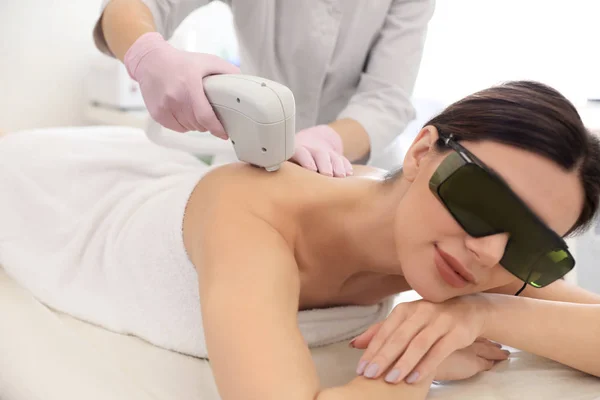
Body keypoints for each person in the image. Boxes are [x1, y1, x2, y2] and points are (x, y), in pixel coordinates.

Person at [1, 81, 600, 400]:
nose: (491, 250)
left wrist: (481, 314)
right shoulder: (256, 218)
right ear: (421, 153)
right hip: (57, 201)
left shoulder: (482, 263)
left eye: (532, 243)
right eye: (482, 198)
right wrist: (416, 361)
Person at [92, 0, 435, 178]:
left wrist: (328, 142)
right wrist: (150, 56)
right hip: (257, 155)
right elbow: (131, 6)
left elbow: (386, 98)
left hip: (356, 163)